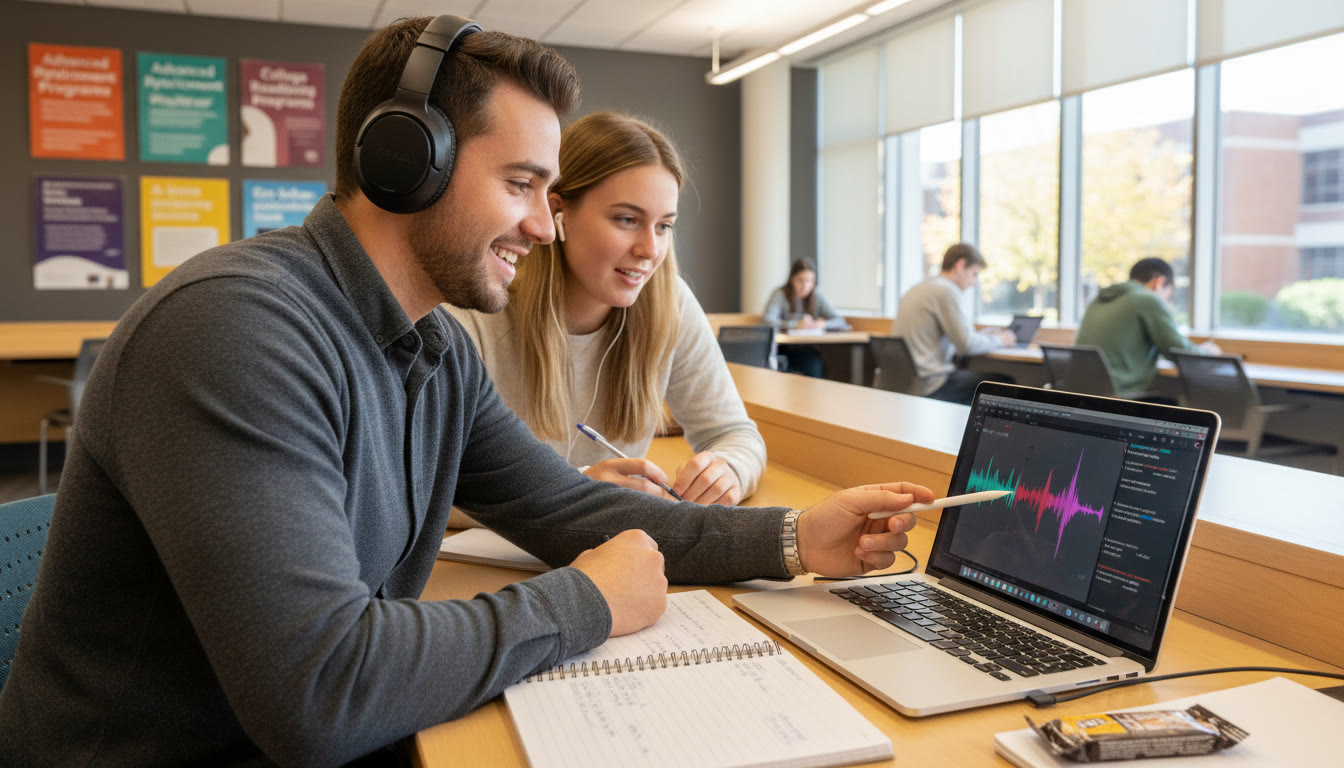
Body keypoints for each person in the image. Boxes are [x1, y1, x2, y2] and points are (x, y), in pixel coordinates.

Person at [0, 16, 933, 767]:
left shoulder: (431, 346)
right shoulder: (237, 331)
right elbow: (319, 693)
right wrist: (587, 603)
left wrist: (795, 537)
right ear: (407, 163)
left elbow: (570, 508)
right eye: (523, 183)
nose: (542, 223)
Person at [447, 111, 765, 510]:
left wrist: (727, 470)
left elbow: (736, 434)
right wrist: (575, 490)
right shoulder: (477, 309)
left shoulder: (670, 302)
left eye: (664, 226)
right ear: (557, 213)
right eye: (627, 219)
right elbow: (425, 483)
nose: (650, 250)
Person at [890, 242, 1016, 403]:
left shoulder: (919, 287)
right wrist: (1001, 339)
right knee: (1006, 384)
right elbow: (966, 345)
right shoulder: (946, 290)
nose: (973, 283)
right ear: (960, 265)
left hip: (908, 383)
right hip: (932, 385)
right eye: (974, 274)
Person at [1076, 257, 1221, 397]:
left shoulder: (1099, 300)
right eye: (1167, 296)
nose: (1165, 302)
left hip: (1081, 393)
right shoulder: (1147, 300)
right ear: (1159, 282)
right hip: (1120, 395)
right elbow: (1179, 353)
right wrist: (1210, 352)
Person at [761, 258, 844, 377]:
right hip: (782, 349)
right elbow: (767, 321)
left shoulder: (817, 296)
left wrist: (821, 324)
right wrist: (795, 325)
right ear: (792, 279)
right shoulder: (780, 294)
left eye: (810, 281)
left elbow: (840, 321)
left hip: (804, 349)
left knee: (815, 365)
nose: (805, 286)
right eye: (801, 281)